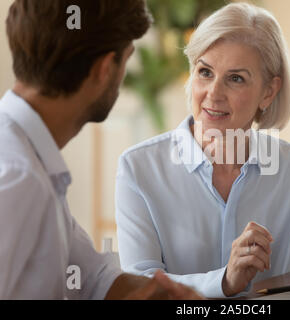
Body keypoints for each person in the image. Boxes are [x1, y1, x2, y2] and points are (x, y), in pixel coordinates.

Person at [115, 3, 290, 298]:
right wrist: (224, 281)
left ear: (268, 92)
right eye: (205, 72)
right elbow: (139, 287)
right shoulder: (139, 167)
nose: (213, 94)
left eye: (236, 78)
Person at [0, 0, 201, 300]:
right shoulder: (19, 176)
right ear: (105, 69)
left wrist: (166, 293)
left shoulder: (35, 161)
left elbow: (92, 276)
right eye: (126, 60)